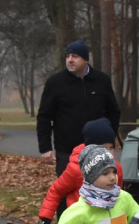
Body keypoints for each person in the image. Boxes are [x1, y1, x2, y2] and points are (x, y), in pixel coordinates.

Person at [37, 40, 121, 176]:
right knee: (68, 194)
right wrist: (45, 148)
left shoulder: (101, 80)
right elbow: (44, 117)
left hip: (97, 150)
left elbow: (113, 112)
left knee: (99, 192)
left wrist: (108, 138)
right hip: (67, 151)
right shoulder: (55, 82)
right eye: (67, 56)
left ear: (86, 59)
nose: (70, 60)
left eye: (75, 56)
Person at [38, 117, 121, 224]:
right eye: (103, 148)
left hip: (107, 220)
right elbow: (56, 191)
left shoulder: (116, 167)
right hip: (83, 222)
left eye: (111, 148)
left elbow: (120, 193)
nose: (108, 153)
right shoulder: (76, 169)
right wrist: (46, 217)